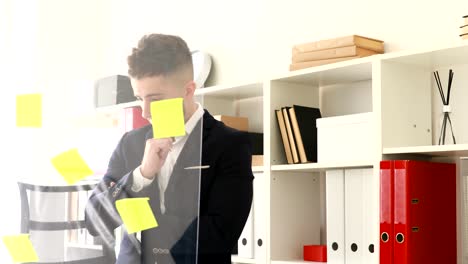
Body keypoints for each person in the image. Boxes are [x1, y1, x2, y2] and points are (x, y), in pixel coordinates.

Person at [85, 34, 254, 264]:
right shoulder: (130, 144)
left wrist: (147, 233)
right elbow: (94, 221)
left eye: (155, 99)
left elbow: (220, 234)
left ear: (188, 90)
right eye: (139, 98)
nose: (145, 113)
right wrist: (141, 176)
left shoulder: (230, 145)